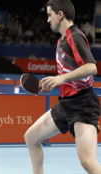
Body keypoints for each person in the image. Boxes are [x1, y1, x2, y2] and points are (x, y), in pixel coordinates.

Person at [24, 0, 101, 174]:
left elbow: (91, 68)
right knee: (31, 137)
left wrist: (60, 79)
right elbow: (70, 76)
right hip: (66, 104)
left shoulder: (74, 36)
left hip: (83, 104)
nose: (48, 20)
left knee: (88, 162)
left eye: (49, 15)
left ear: (60, 14)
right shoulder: (61, 41)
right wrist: (54, 84)